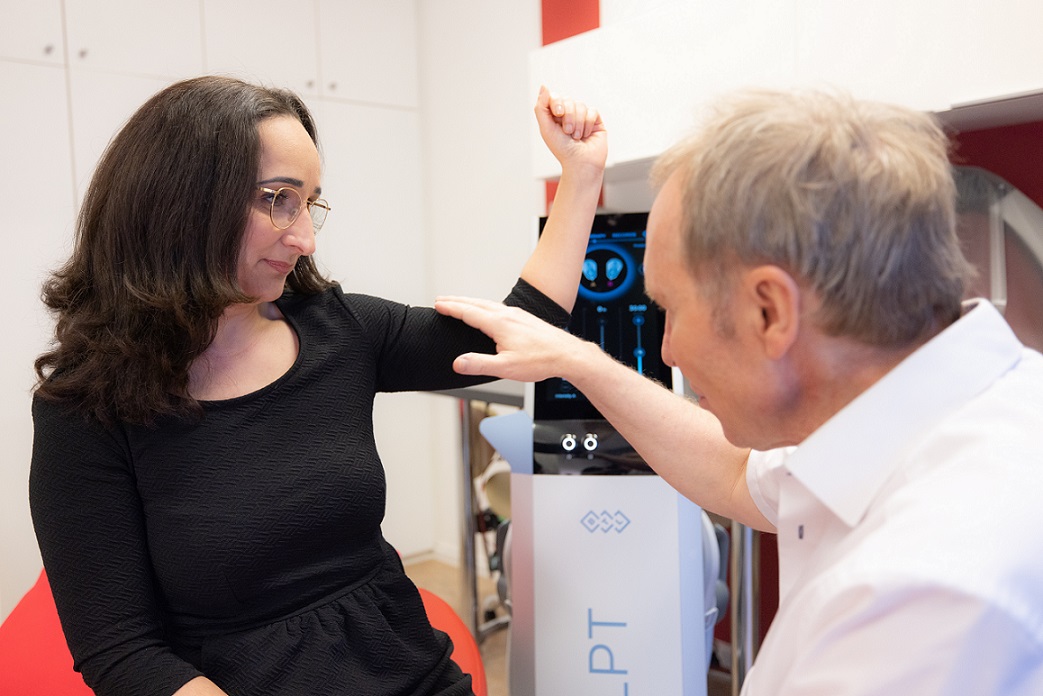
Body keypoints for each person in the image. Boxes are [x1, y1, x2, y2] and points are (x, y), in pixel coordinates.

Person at [435, 88, 1043, 694]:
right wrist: (582, 361)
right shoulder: (957, 407)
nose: (667, 350)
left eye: (669, 309)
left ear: (769, 311)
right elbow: (732, 473)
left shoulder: (918, 602)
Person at [29, 75, 605, 696]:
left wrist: (581, 176)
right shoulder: (86, 409)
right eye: (278, 198)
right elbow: (122, 652)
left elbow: (516, 336)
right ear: (182, 200)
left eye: (310, 203)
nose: (304, 237)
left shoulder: (339, 329)